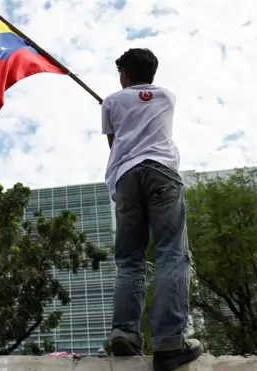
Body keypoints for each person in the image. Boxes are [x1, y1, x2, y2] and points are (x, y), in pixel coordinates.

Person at [101, 48, 204, 371]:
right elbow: (143, 111)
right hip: (162, 173)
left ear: (124, 74)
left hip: (127, 177)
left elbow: (115, 143)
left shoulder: (111, 102)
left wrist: (121, 115)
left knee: (130, 259)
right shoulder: (167, 97)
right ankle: (170, 342)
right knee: (171, 253)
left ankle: (125, 333)